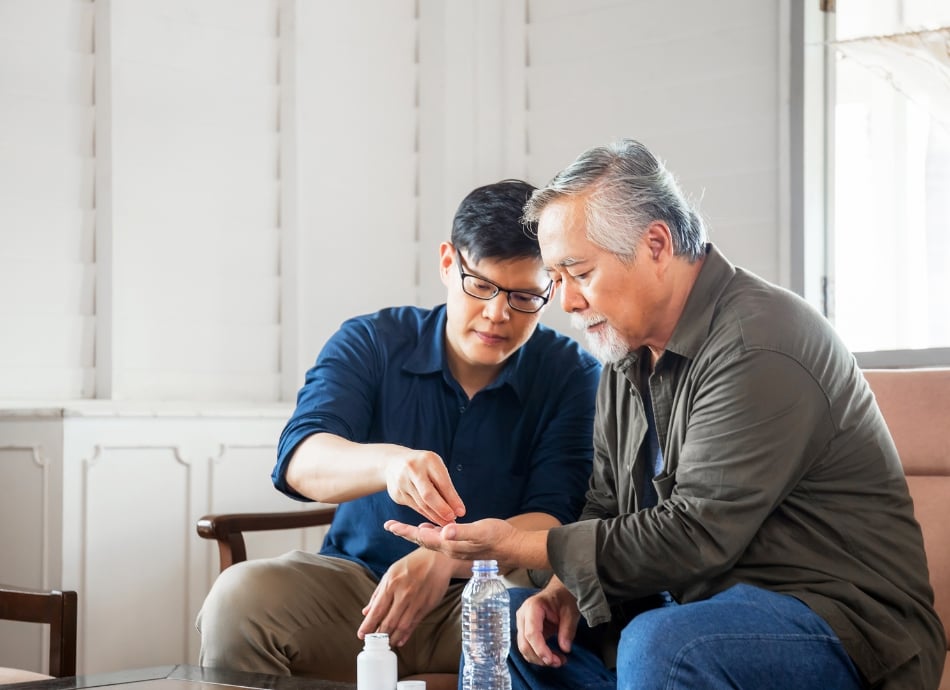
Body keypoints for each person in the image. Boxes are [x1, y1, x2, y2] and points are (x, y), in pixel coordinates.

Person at [386, 140, 947, 689]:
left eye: (578, 273)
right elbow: (605, 504)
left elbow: (694, 534)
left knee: (666, 645)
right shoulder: (622, 355)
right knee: (513, 623)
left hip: (836, 624)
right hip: (686, 608)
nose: (568, 303)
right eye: (555, 280)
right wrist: (562, 590)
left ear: (656, 244)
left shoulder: (761, 342)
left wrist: (511, 544)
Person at [195, 179, 601, 685]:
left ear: (552, 290)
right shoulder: (372, 341)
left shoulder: (573, 376)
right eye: (482, 286)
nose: (498, 314)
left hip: (494, 593)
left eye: (524, 297)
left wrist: (443, 556)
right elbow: (301, 457)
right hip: (359, 592)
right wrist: (388, 464)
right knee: (240, 600)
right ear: (448, 263)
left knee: (542, 625)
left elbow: (555, 517)